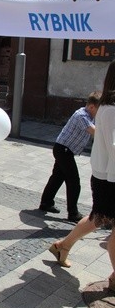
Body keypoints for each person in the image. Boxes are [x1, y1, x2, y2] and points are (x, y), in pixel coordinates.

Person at [48, 61, 115, 282]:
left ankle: (62, 244)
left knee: (97, 217)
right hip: (71, 153)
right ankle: (67, 217)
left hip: (95, 167)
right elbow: (104, 139)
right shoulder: (98, 112)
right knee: (72, 182)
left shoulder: (104, 109)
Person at [38, 91, 100, 223]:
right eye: (99, 110)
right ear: (92, 107)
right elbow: (94, 131)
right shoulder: (82, 115)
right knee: (74, 182)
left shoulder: (90, 115)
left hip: (64, 150)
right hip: (63, 150)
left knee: (57, 177)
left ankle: (46, 203)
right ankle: (73, 213)